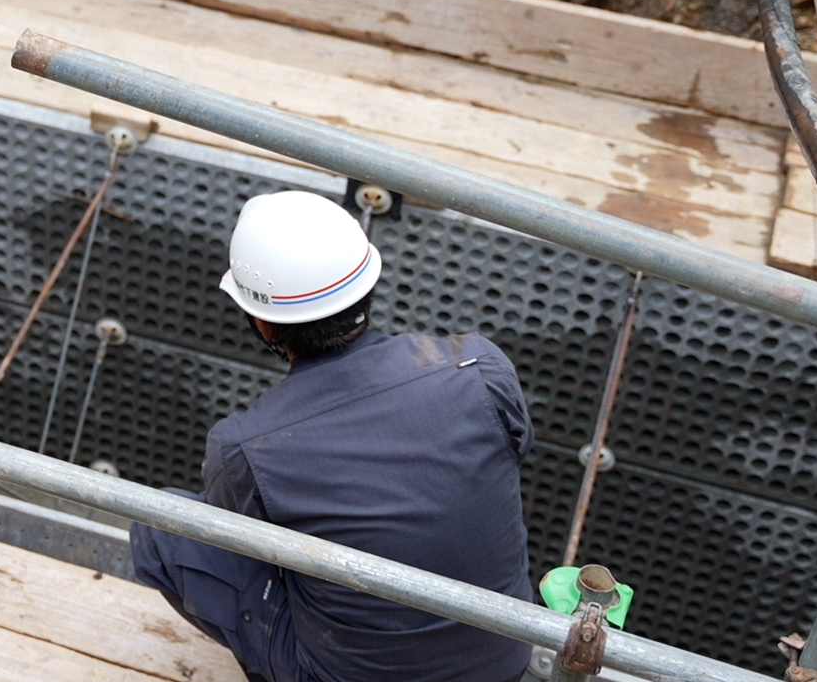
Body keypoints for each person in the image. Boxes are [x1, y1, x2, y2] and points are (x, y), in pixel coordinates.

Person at [131, 191, 535, 682]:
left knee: (161, 528)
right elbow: (510, 454)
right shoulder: (480, 367)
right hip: (507, 660)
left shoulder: (246, 447)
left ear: (262, 322)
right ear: (368, 285)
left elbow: (239, 547)